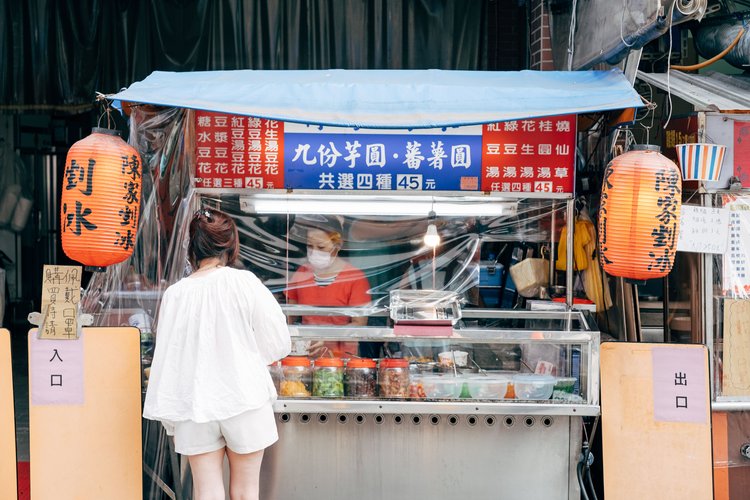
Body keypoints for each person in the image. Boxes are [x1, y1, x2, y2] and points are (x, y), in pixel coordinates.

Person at [143, 208, 291, 500]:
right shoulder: (245, 283)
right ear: (230, 246)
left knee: (207, 491)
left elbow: (168, 355)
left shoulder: (176, 294)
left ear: (192, 248)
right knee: (246, 491)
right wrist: (244, 356)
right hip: (244, 398)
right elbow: (277, 341)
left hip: (194, 403)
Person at [285, 216, 371, 357]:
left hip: (341, 359)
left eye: (321, 247)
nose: (314, 252)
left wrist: (326, 336)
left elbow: (358, 324)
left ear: (338, 245)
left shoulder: (355, 278)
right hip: (304, 356)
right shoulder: (302, 273)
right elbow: (289, 316)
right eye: (309, 246)